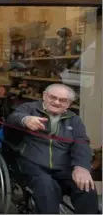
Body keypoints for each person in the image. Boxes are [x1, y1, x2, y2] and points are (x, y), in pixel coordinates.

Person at [6, 84, 99, 214]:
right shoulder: (29, 109)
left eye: (62, 100)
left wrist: (82, 167)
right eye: (52, 97)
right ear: (44, 96)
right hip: (34, 165)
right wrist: (25, 120)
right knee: (46, 188)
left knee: (86, 186)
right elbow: (12, 118)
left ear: (69, 104)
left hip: (63, 167)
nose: (56, 102)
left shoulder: (74, 119)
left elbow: (81, 143)